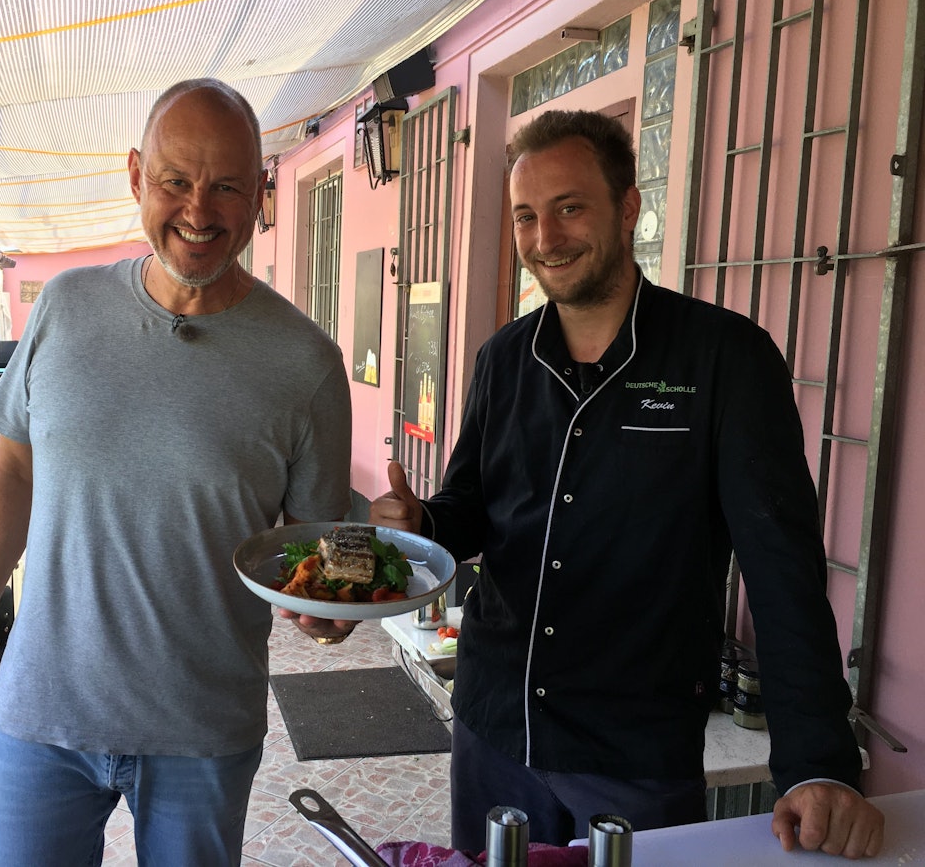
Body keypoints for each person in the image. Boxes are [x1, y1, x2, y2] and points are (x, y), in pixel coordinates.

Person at [369, 109, 885, 859]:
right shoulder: (503, 359)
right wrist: (423, 520)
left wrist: (818, 765)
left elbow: (783, 572)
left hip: (632, 756)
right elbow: (473, 511)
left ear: (628, 207)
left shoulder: (725, 360)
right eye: (526, 216)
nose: (546, 238)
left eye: (570, 207)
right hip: (493, 730)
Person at [0, 78, 353, 867]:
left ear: (261, 192)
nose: (199, 212)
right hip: (43, 716)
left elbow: (312, 550)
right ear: (136, 176)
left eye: (228, 185)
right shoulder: (64, 308)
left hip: (200, 729)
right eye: (175, 181)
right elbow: (14, 471)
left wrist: (329, 607)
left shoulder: (306, 362)